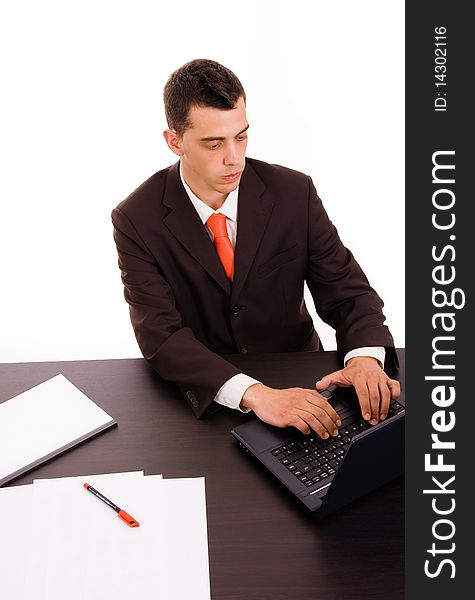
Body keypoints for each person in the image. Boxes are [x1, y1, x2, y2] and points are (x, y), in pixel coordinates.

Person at [111, 58, 400, 440]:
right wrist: (253, 394)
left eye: (241, 137)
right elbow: (161, 337)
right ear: (174, 141)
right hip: (207, 394)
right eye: (214, 144)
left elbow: (348, 292)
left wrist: (364, 358)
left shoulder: (294, 194)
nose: (234, 158)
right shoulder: (136, 218)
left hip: (302, 378)